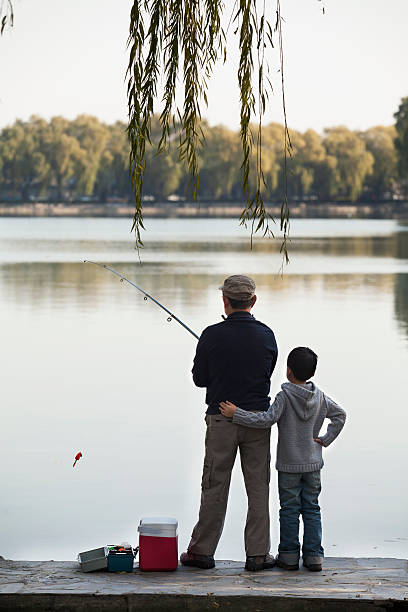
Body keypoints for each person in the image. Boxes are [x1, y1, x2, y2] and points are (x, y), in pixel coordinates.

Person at [180, 275, 278, 572]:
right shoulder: (267, 335)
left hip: (222, 420)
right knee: (258, 487)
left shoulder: (211, 335)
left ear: (225, 300)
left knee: (215, 484)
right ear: (254, 301)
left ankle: (201, 553)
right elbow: (267, 371)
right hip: (258, 421)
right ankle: (258, 555)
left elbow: (199, 380)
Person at [220, 346, 346, 572]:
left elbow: (266, 419)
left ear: (288, 371)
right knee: (312, 508)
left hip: (288, 466)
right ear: (312, 374)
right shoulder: (321, 398)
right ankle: (314, 556)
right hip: (313, 465)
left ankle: (288, 556)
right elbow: (340, 415)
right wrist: (325, 439)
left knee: (289, 509)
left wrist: (236, 414)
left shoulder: (284, 396)